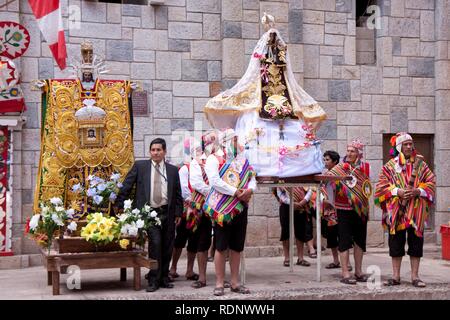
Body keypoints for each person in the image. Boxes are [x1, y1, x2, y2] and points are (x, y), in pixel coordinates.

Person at [115, 138, 183, 292]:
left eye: (159, 150)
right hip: (149, 214)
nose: (156, 152)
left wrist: (178, 212)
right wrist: (120, 204)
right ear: (150, 152)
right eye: (153, 150)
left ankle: (164, 277)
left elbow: (178, 193)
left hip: (168, 212)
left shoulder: (172, 170)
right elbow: (127, 185)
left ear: (164, 152)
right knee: (156, 244)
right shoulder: (141, 167)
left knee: (167, 246)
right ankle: (153, 279)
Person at [374, 133, 435, 288]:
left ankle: (415, 277)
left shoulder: (421, 165)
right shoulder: (389, 166)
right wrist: (397, 192)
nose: (409, 146)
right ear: (399, 147)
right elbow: (381, 187)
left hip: (416, 212)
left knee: (416, 244)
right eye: (406, 144)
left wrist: (418, 191)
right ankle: (396, 276)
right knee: (396, 244)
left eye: (410, 144)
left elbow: (431, 182)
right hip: (396, 212)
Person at [203, 129, 256, 296]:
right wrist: (235, 192)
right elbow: (214, 181)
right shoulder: (213, 158)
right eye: (233, 140)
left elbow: (252, 177)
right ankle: (219, 283)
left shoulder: (243, 159)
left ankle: (234, 282)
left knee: (237, 246)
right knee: (221, 246)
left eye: (236, 139)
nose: (237, 143)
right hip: (223, 209)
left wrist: (250, 191)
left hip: (240, 207)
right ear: (224, 141)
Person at [326, 139, 371, 285]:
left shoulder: (365, 167)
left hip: (360, 209)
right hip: (343, 208)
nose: (350, 153)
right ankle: (345, 272)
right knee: (344, 240)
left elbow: (367, 186)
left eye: (353, 151)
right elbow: (326, 181)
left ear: (359, 153)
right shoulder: (339, 168)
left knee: (359, 241)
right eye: (348, 150)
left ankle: (358, 271)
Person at [169, 138, 199, 283]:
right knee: (180, 239)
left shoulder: (200, 167)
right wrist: (192, 203)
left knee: (193, 240)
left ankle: (189, 270)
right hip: (186, 210)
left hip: (198, 211)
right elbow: (184, 190)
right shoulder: (185, 169)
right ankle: (173, 268)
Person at [188, 133, 215, 288]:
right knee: (202, 240)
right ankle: (202, 278)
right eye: (210, 143)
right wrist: (215, 191)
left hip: (220, 205)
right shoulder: (196, 162)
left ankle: (221, 277)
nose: (213, 145)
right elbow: (196, 183)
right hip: (202, 206)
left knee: (221, 242)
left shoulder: (221, 160)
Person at [322, 150, 352, 271]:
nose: (325, 162)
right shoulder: (324, 175)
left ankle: (347, 263)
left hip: (341, 208)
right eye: (324, 160)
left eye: (328, 160)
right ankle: (336, 260)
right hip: (329, 209)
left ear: (335, 161)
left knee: (344, 236)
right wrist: (324, 201)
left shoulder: (342, 174)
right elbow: (319, 190)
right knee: (331, 236)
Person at [273, 186, 314, 267]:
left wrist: (303, 201)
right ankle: (287, 258)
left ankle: (300, 258)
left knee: (300, 230)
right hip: (285, 205)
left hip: (301, 204)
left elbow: (310, 189)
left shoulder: (303, 176)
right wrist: (290, 202)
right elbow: (279, 192)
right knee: (285, 231)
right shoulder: (282, 177)